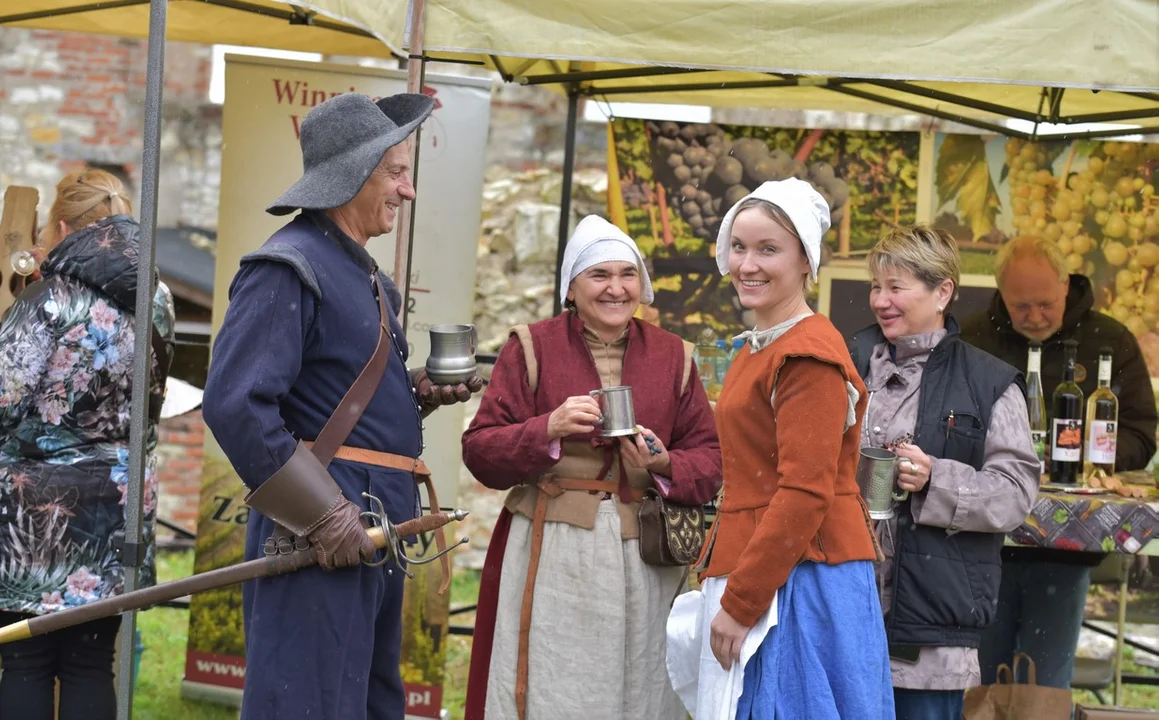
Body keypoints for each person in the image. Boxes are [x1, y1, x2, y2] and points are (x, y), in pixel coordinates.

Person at [200, 93, 481, 720]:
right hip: (322, 524)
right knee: (305, 703)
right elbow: (235, 404)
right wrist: (324, 516)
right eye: (396, 172)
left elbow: (337, 402)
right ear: (354, 172)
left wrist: (416, 396)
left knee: (366, 702)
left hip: (375, 523)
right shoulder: (287, 265)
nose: (407, 192)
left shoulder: (366, 277)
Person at [461, 214, 722, 720]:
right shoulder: (531, 347)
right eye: (599, 276)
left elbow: (710, 461)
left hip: (644, 551)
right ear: (572, 287)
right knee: (554, 685)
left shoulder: (675, 356)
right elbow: (480, 451)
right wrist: (548, 429)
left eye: (627, 275)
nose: (616, 289)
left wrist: (663, 461)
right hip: (553, 546)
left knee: (643, 686)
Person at [693, 179, 893, 719]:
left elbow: (805, 492)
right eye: (739, 247)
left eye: (768, 249)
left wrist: (741, 603)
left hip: (804, 581)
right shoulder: (763, 345)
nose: (747, 264)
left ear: (806, 259)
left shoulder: (806, 355)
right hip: (773, 568)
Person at [0, 168, 176, 720]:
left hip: (37, 514)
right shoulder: (158, 296)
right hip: (120, 508)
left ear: (60, 227)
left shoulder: (48, 299)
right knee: (90, 665)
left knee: (26, 662)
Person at [848, 225, 1040, 719]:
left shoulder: (989, 382)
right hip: (842, 605)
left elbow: (1016, 494)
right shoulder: (846, 364)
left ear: (943, 292)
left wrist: (937, 478)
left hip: (931, 625)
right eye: (876, 286)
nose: (880, 300)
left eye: (896, 287)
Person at [962, 235, 1158, 691]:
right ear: (1001, 294)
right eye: (1020, 306)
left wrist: (1094, 455)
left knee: (1044, 684)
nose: (1034, 316)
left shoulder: (1110, 340)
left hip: (1065, 554)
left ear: (1066, 285)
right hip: (982, 546)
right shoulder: (972, 338)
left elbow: (1141, 432)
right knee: (978, 680)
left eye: (1045, 304)